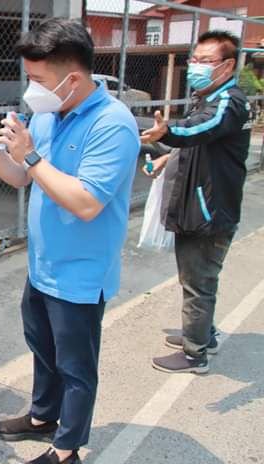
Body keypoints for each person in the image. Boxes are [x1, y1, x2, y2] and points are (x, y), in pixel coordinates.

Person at [0, 18, 139, 464]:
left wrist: (30, 155)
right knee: (42, 347)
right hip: (43, 265)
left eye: (38, 79)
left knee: (76, 366)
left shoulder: (113, 125)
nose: (30, 89)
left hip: (81, 272)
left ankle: (67, 449)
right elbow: (22, 177)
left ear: (72, 78)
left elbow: (86, 202)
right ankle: (43, 416)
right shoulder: (48, 114)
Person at [140, 30, 252, 374]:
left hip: (210, 210)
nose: (196, 66)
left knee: (198, 282)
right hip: (202, 204)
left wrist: (167, 133)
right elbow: (201, 139)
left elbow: (200, 129)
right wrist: (166, 157)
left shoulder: (228, 102)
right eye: (195, 59)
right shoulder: (208, 96)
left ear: (227, 65)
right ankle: (203, 335)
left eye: (206, 60)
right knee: (197, 278)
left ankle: (195, 354)